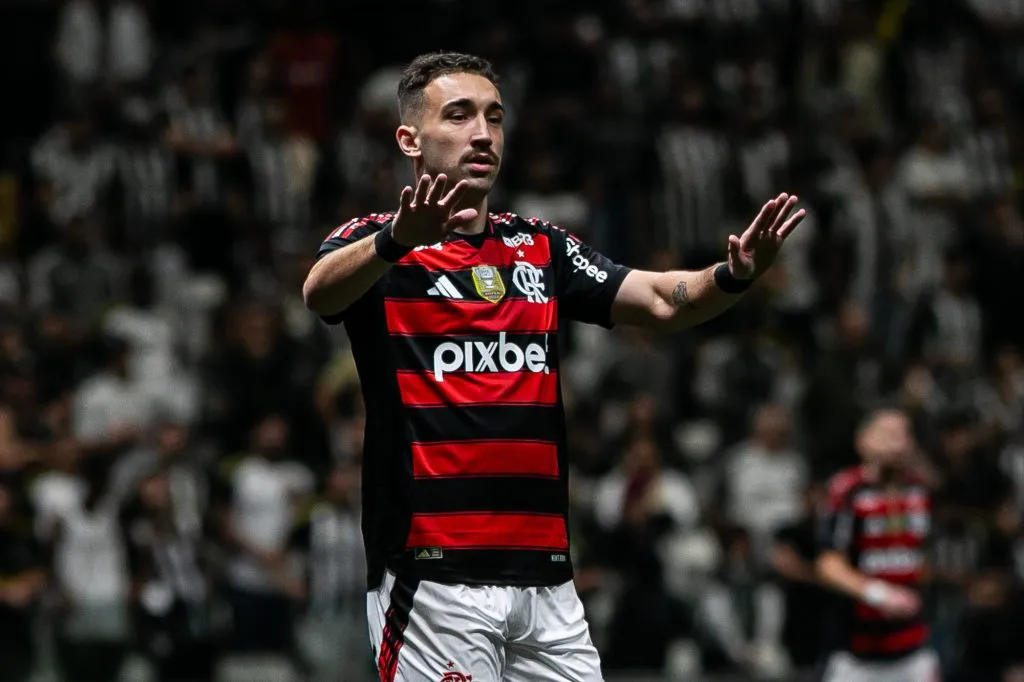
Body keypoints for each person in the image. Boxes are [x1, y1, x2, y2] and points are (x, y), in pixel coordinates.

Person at [302, 51, 806, 682]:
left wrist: (730, 274)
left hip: (547, 580)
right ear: (409, 138)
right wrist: (397, 240)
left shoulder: (541, 246)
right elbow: (320, 292)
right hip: (435, 575)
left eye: (494, 117)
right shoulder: (374, 241)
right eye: (458, 116)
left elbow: (656, 299)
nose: (482, 133)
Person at [816, 407, 939, 682]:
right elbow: (827, 564)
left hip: (913, 650)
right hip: (856, 654)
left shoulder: (920, 489)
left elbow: (924, 554)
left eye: (903, 433)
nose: (897, 441)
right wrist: (879, 594)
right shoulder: (847, 489)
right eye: (886, 433)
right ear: (862, 441)